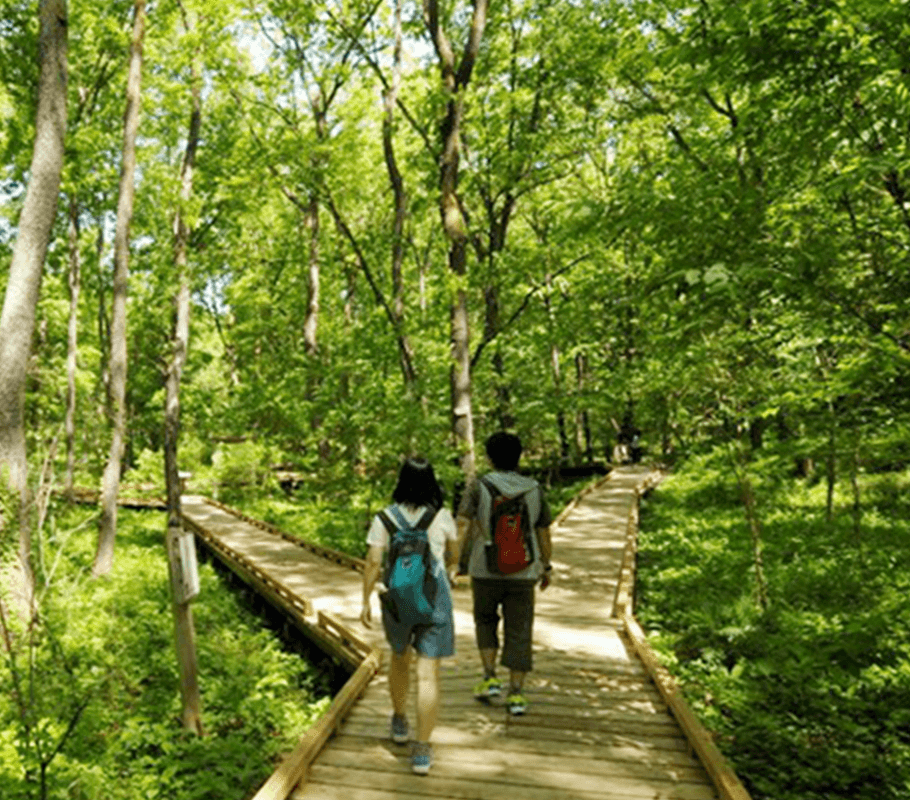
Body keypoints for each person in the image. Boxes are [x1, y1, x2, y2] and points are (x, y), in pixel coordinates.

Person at [360, 457, 458, 775]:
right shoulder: (441, 516)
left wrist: (364, 601)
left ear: (400, 481)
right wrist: (451, 569)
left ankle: (400, 718)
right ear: (432, 481)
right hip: (435, 598)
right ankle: (422, 750)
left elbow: (374, 562)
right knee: (428, 675)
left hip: (398, 599)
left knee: (399, 658)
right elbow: (455, 555)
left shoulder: (384, 518)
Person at [456, 432, 553, 716]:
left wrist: (455, 561)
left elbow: (463, 525)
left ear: (490, 457)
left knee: (485, 620)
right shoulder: (535, 489)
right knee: (520, 629)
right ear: (519, 456)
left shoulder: (479, 486)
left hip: (484, 569)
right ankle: (517, 695)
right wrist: (546, 566)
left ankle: (490, 679)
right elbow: (543, 531)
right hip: (524, 571)